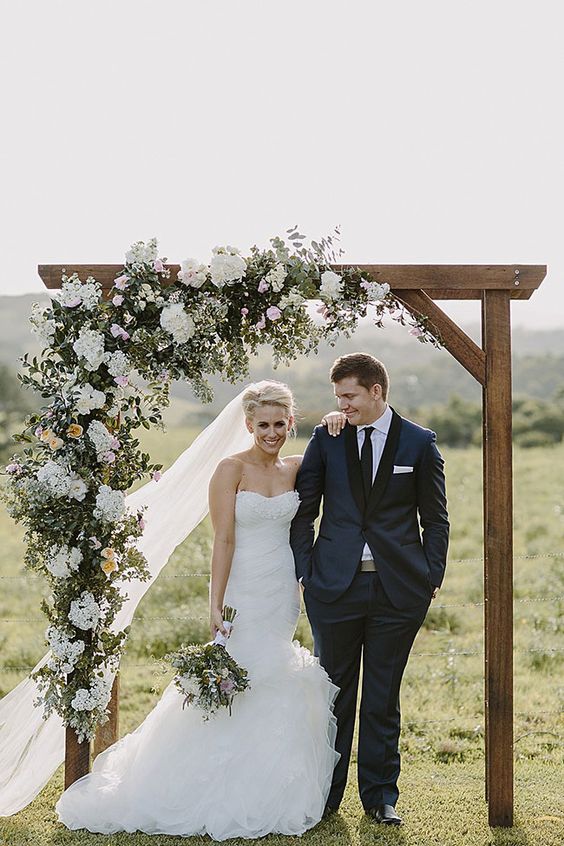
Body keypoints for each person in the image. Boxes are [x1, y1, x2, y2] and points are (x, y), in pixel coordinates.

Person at [56, 380, 339, 840]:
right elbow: (223, 540)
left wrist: (336, 421)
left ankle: (264, 784)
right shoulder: (230, 470)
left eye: (279, 424)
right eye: (262, 424)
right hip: (243, 588)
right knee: (237, 671)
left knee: (272, 673)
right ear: (248, 424)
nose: (271, 432)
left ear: (291, 422)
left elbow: (328, 483)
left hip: (282, 589)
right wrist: (217, 602)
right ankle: (201, 782)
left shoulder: (298, 468)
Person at [291, 352, 449, 826]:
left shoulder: (420, 443)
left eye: (349, 395)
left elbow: (435, 519)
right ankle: (325, 795)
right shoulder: (328, 437)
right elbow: (304, 511)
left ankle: (381, 798)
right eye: (339, 396)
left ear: (376, 391)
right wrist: (306, 573)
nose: (342, 404)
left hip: (398, 591)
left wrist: (430, 577)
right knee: (334, 694)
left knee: (382, 697)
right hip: (332, 588)